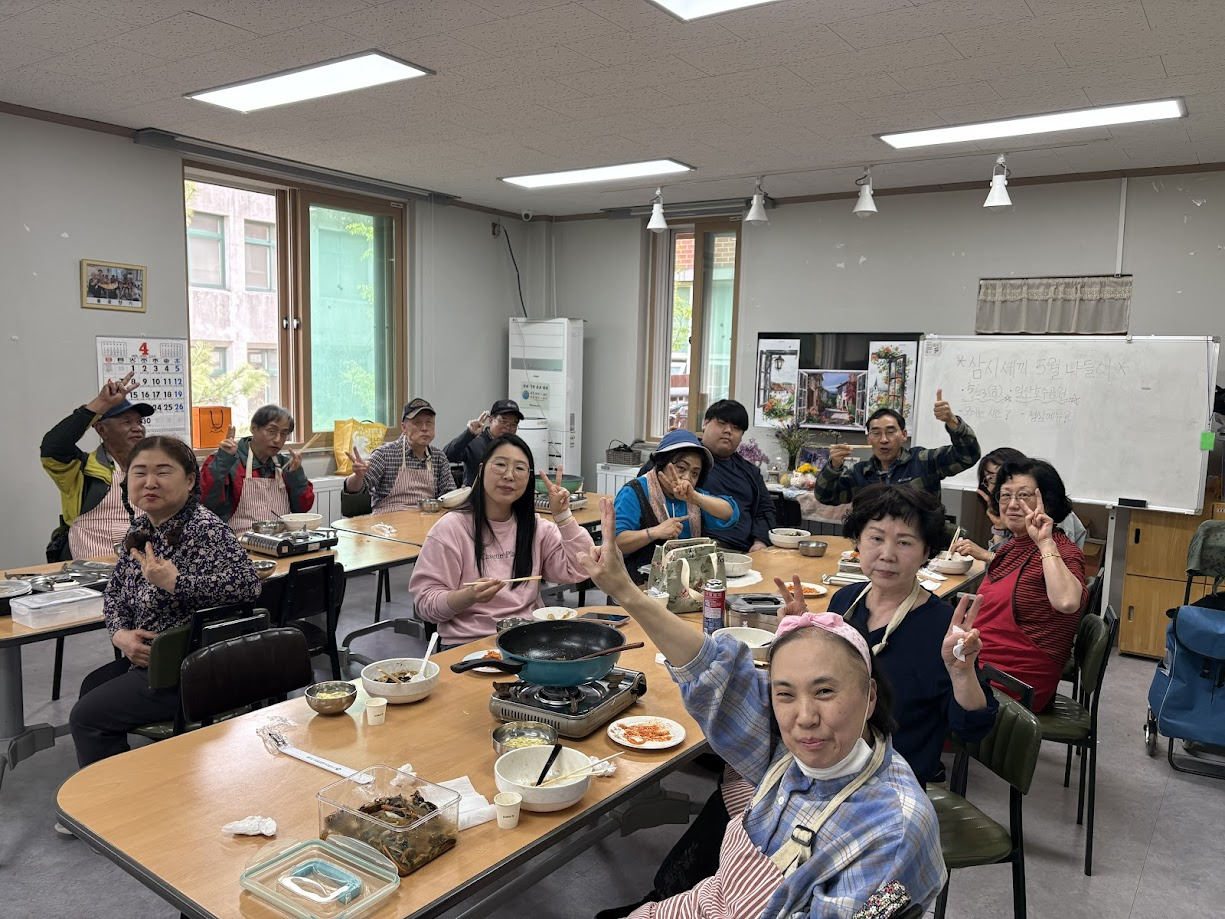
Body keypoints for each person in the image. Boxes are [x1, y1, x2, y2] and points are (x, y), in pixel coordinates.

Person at [577, 498, 946, 919]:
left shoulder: (893, 830)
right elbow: (714, 671)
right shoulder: (787, 754)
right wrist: (625, 591)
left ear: (870, 696)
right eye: (784, 694)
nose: (804, 718)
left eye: (825, 691)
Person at [68, 436, 260, 773]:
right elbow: (114, 592)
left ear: (189, 480)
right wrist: (120, 634)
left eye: (163, 471)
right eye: (140, 472)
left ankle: (111, 797)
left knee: (87, 715)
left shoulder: (206, 529)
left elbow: (249, 586)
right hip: (152, 663)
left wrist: (177, 583)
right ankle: (132, 784)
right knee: (92, 688)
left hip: (191, 667)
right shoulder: (143, 526)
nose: (150, 482)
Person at [409, 435, 594, 646]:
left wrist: (563, 516)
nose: (509, 475)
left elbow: (582, 568)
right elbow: (425, 604)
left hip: (528, 640)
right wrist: (468, 596)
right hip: (468, 644)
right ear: (481, 469)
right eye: (500, 465)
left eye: (520, 468)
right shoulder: (450, 529)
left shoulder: (535, 527)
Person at [952, 458, 1087, 712]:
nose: (1012, 504)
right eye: (1005, 495)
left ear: (1048, 501)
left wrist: (1045, 542)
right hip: (980, 663)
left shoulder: (1062, 551)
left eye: (1024, 495)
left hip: (1012, 683)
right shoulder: (1013, 546)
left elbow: (1068, 602)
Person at [41, 371, 153, 561]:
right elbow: (53, 447)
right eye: (127, 422)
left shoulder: (152, 469)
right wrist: (100, 403)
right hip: (93, 565)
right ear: (102, 429)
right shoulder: (82, 469)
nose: (137, 428)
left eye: (139, 422)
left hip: (146, 563)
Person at [810, 390, 981, 506]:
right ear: (869, 439)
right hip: (874, 544)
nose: (884, 440)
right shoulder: (860, 473)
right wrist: (834, 465)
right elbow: (825, 496)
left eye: (891, 432)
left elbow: (968, 455)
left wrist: (951, 421)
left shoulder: (923, 461)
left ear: (904, 435)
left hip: (920, 543)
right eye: (876, 433)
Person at [613, 429, 739, 582]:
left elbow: (730, 513)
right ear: (662, 463)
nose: (687, 478)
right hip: (637, 584)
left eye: (694, 473)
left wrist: (694, 497)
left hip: (687, 583)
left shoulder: (693, 496)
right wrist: (655, 532)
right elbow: (616, 543)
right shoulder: (634, 492)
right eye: (681, 468)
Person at [959, 448, 1088, 563]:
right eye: (990, 479)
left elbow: (1040, 570)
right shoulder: (1012, 517)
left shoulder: (1055, 520)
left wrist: (987, 556)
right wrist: (999, 528)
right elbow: (996, 573)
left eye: (1023, 494)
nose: (998, 484)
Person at [200, 405, 314, 533]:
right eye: (271, 431)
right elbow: (206, 504)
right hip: (238, 539)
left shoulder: (286, 465)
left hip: (280, 537)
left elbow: (302, 509)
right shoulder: (227, 460)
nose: (278, 440)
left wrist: (296, 475)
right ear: (254, 428)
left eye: (284, 434)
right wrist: (223, 461)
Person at [342, 398, 456, 512]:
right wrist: (358, 476)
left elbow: (450, 496)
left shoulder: (439, 457)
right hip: (388, 519)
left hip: (427, 519)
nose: (424, 428)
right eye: (417, 422)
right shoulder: (385, 454)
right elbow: (353, 489)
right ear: (403, 427)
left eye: (429, 422)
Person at [698, 399, 776, 552]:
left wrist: (760, 541)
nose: (728, 431)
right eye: (721, 423)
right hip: (703, 548)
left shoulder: (750, 471)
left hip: (747, 550)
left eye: (736, 428)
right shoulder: (686, 459)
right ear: (705, 423)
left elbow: (765, 509)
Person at [444, 399, 524, 486]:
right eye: (503, 421)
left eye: (513, 424)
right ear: (491, 420)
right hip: (476, 494)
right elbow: (447, 456)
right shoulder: (474, 443)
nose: (508, 427)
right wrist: (469, 434)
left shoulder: (516, 448)